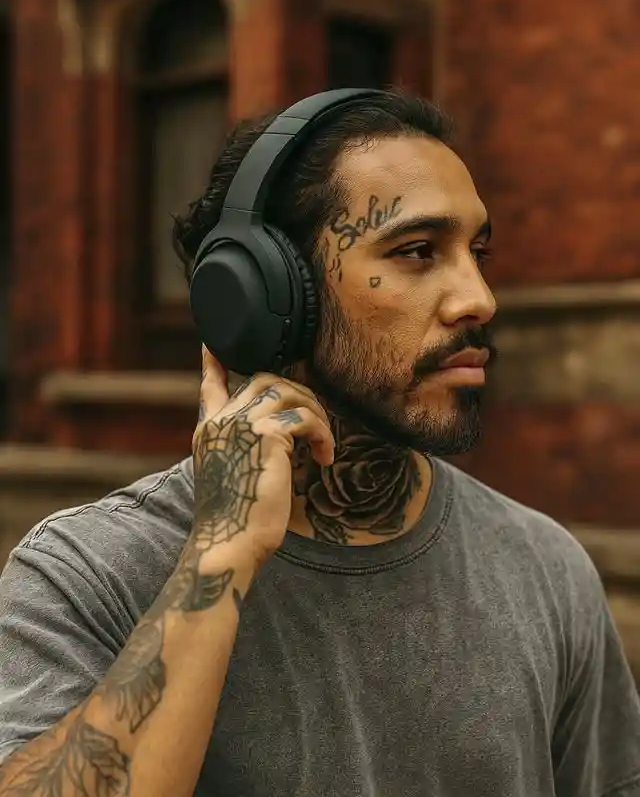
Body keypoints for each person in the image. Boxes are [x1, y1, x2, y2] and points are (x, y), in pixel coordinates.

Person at [0, 89, 638, 797]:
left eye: (477, 252)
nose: (479, 298)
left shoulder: (547, 571)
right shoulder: (87, 575)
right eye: (417, 251)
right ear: (269, 297)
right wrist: (223, 552)